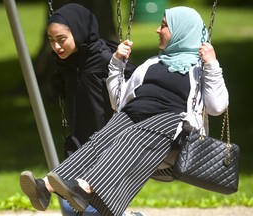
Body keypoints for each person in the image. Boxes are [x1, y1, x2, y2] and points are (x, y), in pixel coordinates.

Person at [20, 6, 229, 216]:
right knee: (102, 137)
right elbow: (118, 101)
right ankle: (45, 187)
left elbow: (217, 106)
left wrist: (212, 64)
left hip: (174, 128)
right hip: (135, 118)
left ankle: (84, 188)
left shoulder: (199, 68)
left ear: (182, 30)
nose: (158, 29)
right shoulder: (151, 64)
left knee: (131, 134)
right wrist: (117, 63)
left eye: (164, 25)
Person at [21, 3, 141, 216]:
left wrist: (120, 64)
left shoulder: (105, 58)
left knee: (88, 206)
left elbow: (138, 87)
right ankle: (44, 188)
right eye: (51, 41)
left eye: (61, 39)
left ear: (78, 32)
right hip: (80, 137)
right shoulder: (67, 63)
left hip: (108, 139)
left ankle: (44, 187)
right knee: (72, 206)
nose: (56, 47)